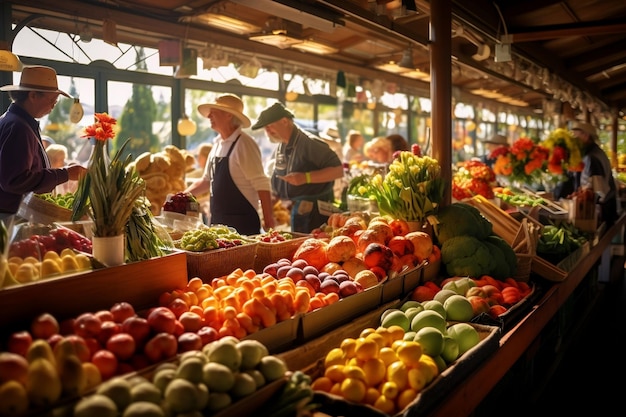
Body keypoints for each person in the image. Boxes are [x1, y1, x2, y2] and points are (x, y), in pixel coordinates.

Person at [0, 65, 86, 221]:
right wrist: (66, 174)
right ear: (33, 96)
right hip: (11, 217)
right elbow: (15, 180)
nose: (53, 106)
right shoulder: (18, 127)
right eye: (52, 100)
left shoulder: (14, 122)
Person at [184, 94, 274, 235]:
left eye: (214, 112)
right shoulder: (217, 145)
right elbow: (206, 181)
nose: (209, 116)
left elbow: (261, 183)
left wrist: (269, 221)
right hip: (218, 224)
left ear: (228, 115)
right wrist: (181, 196)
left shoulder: (244, 144)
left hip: (243, 226)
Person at [251, 102, 344, 233]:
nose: (268, 131)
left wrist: (306, 178)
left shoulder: (310, 143)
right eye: (265, 128)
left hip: (315, 214)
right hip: (297, 211)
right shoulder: (282, 145)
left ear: (284, 121)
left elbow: (338, 170)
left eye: (270, 126)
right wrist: (269, 208)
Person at [571, 121, 619, 227]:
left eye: (575, 136)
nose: (573, 140)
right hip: (606, 207)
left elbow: (599, 190)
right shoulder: (595, 152)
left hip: (601, 211)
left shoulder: (592, 157)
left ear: (586, 135)